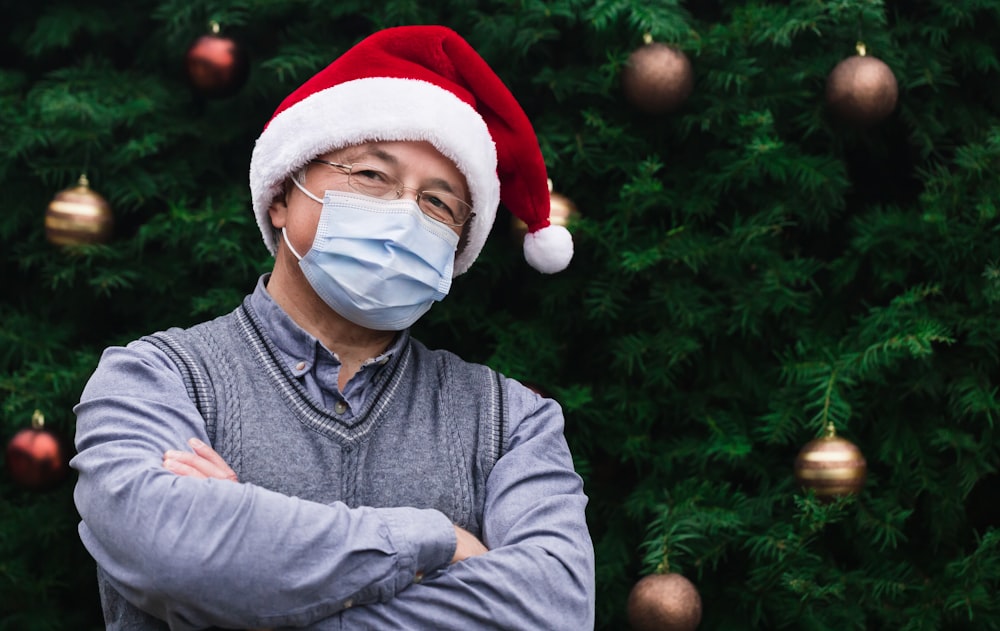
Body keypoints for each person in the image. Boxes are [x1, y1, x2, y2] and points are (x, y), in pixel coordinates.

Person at [71, 24, 594, 630]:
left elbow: (552, 610)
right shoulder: (155, 379)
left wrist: (247, 575)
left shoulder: (510, 422)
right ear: (280, 195)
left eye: (439, 203)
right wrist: (437, 541)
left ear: (457, 249)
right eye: (371, 176)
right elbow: (167, 549)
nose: (404, 213)